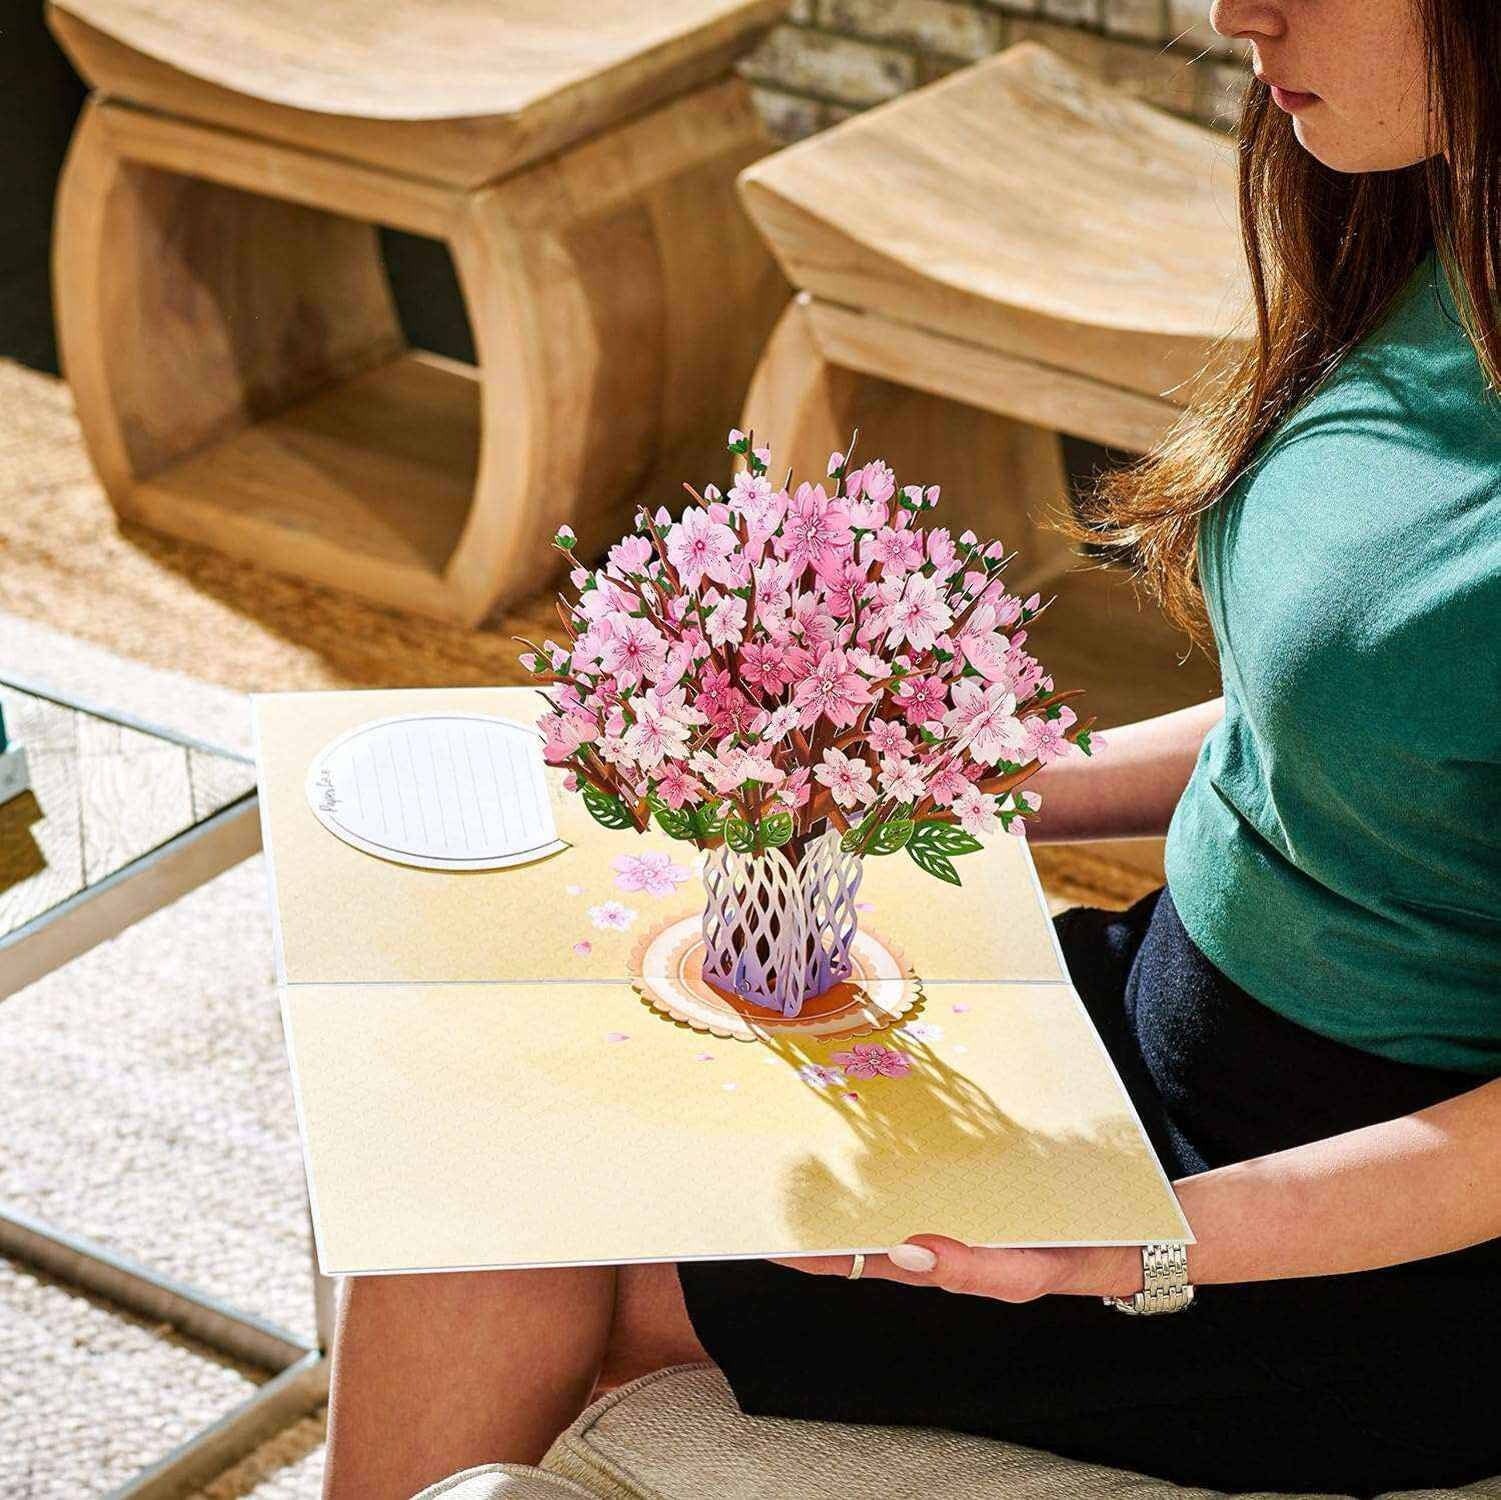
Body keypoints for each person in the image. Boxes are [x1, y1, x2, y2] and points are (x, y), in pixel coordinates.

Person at [320, 1, 1500, 1494]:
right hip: (1149, 1010)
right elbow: (1360, 716)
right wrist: (931, 779)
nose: (1231, 13)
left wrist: (1120, 1249)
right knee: (483, 1123)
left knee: (487, 1230)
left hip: (1347, 1241)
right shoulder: (1435, 224)